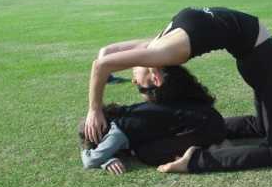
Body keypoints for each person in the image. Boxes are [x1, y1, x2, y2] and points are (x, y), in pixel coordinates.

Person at [83, 7, 272, 173]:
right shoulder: (162, 47)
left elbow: (104, 58)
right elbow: (102, 63)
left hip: (256, 58)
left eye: (137, 83)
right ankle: (195, 161)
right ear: (156, 76)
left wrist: (95, 110)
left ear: (155, 74)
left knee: (261, 126)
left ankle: (206, 135)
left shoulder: (158, 46)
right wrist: (96, 111)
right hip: (261, 57)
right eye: (137, 83)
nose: (133, 81)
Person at [79, 66, 226, 175]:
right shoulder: (126, 114)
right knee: (143, 146)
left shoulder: (117, 131)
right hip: (207, 118)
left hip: (208, 128)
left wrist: (99, 155)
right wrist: (108, 159)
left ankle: (194, 157)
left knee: (144, 153)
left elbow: (90, 160)